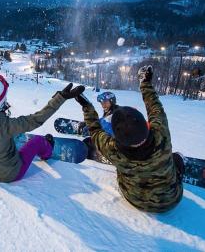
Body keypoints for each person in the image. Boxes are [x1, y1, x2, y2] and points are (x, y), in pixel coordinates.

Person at [75, 65, 184, 212]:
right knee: (176, 159)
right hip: (172, 200)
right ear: (146, 126)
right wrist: (145, 83)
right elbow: (155, 108)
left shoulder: (112, 149)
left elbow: (95, 131)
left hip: (134, 200)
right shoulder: (161, 133)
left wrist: (86, 106)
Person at [0, 49, 85, 182]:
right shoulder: (8, 126)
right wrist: (60, 98)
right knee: (38, 141)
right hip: (10, 173)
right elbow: (37, 119)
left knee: (2, 136)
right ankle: (47, 151)